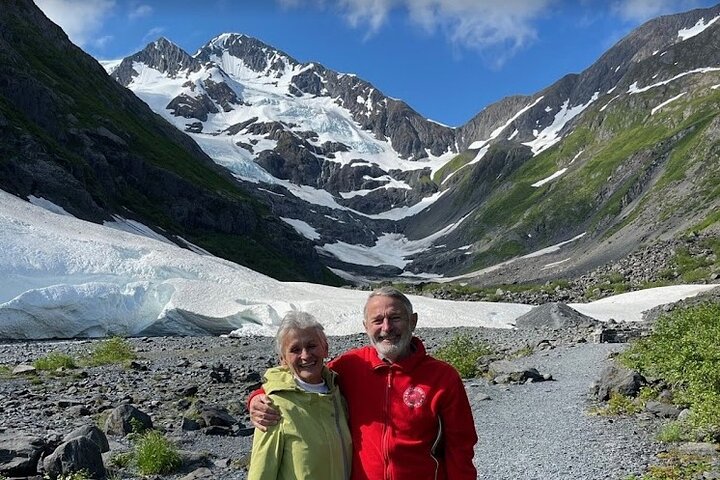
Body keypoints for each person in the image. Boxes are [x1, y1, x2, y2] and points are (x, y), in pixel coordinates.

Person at [249, 287, 478, 480]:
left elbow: (460, 447)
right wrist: (258, 397)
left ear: (413, 321)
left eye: (395, 318)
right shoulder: (351, 365)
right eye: (377, 320)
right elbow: (304, 375)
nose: (386, 328)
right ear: (366, 326)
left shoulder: (442, 377)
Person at [247, 311, 352, 480]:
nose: (305, 355)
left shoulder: (338, 394)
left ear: (325, 348)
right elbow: (261, 473)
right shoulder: (273, 406)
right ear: (283, 359)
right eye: (295, 349)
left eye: (311, 346)